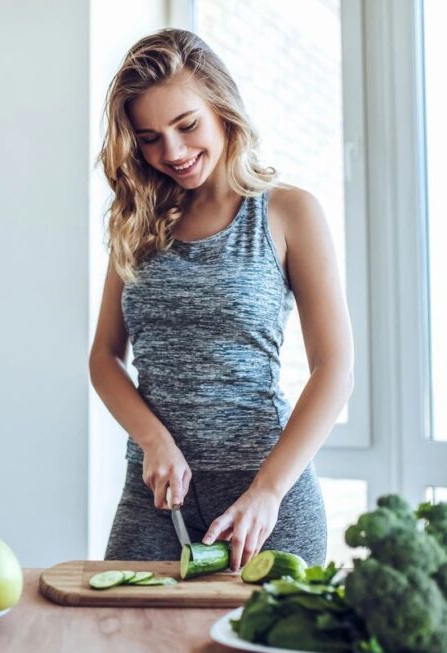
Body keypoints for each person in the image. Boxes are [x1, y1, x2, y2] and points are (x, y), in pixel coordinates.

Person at [90, 28, 353, 570]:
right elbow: (104, 358)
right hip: (155, 498)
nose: (174, 152)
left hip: (265, 496)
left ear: (222, 109)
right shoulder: (133, 224)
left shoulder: (288, 213)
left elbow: (336, 367)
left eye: (187, 126)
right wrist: (153, 440)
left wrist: (269, 491)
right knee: (128, 648)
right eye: (149, 137)